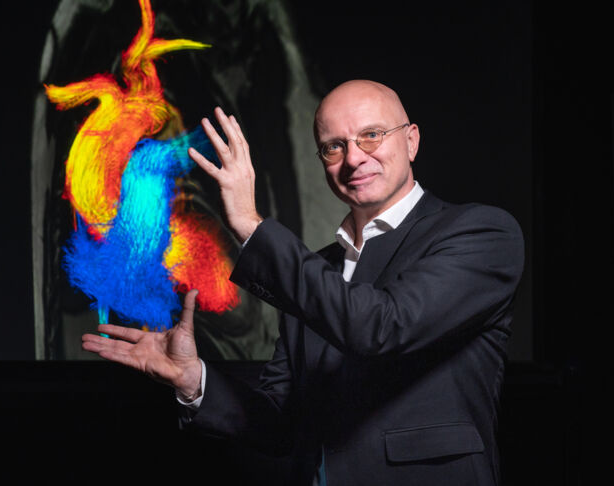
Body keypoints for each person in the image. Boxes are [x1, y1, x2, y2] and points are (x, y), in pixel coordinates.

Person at [81, 80, 525, 485]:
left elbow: (381, 326)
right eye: (334, 146)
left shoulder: (482, 234)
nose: (353, 158)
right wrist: (193, 380)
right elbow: (280, 425)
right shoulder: (315, 271)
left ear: (411, 141)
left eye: (372, 135)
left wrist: (252, 226)